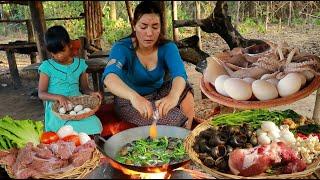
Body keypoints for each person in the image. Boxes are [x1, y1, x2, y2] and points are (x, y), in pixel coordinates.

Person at [102, 1, 195, 129]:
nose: (149, 33)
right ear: (134, 25)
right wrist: (134, 97)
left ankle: (188, 135)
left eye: (155, 27)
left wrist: (173, 96)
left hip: (157, 93)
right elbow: (109, 77)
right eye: (143, 26)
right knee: (173, 120)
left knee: (185, 88)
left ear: (161, 27)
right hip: (129, 100)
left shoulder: (168, 47)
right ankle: (179, 128)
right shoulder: (122, 48)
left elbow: (179, 74)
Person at [38, 25, 103, 135]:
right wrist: (58, 97)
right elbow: (41, 93)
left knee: (95, 124)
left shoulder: (80, 65)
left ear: (69, 45)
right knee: (68, 130)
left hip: (77, 106)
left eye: (62, 51)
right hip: (57, 111)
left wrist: (92, 93)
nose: (58, 56)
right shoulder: (47, 67)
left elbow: (85, 88)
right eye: (54, 53)